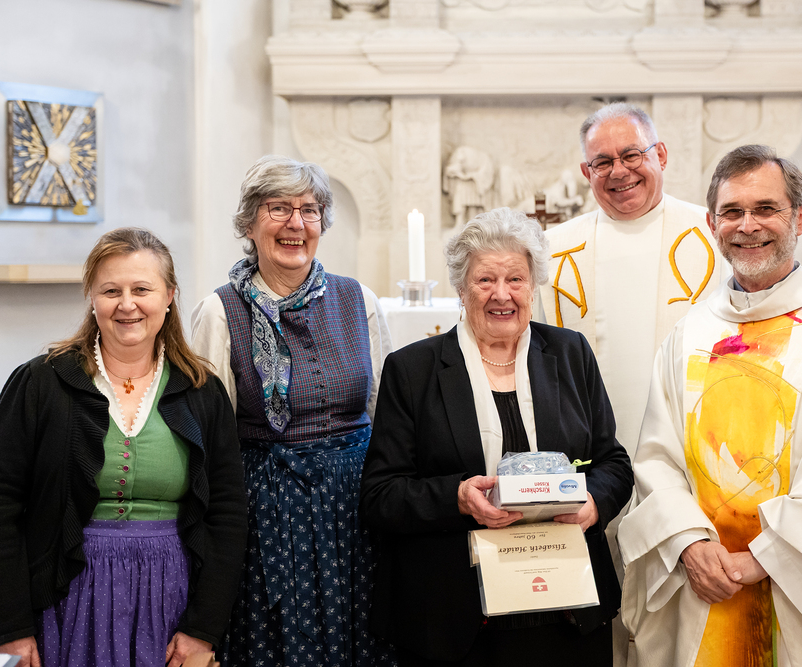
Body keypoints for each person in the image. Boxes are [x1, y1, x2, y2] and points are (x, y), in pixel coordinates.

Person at [618, 145, 802, 666]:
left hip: (801, 590)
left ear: (800, 218)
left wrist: (763, 558)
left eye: (766, 209)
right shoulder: (690, 332)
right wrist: (689, 544)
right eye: (732, 212)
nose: (747, 226)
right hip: (704, 582)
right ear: (712, 223)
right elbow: (656, 457)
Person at [361, 207, 633, 666]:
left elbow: (614, 463)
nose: (501, 294)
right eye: (485, 280)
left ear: (534, 285)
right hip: (457, 616)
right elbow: (380, 495)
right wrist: (458, 498)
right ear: (461, 288)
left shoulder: (570, 353)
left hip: (566, 608)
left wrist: (592, 503)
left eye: (516, 279)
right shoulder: (413, 370)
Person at [0, 227, 248, 667]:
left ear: (169, 295)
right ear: (92, 297)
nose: (127, 304)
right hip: (60, 598)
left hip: (168, 598)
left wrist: (204, 627)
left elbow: (228, 513)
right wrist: (10, 627)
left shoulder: (201, 390)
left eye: (142, 289)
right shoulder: (40, 382)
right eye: (111, 290)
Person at [536, 101, 726, 664]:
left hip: (694, 462)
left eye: (632, 154)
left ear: (660, 154)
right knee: (602, 617)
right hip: (593, 464)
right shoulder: (554, 248)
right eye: (602, 162)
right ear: (585, 172)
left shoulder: (714, 232)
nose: (619, 171)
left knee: (680, 622)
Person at [190, 155, 393, 667]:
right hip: (270, 514)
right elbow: (211, 440)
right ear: (249, 224)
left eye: (309, 210)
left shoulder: (360, 300)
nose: (295, 223)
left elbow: (386, 415)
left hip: (357, 512)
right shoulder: (219, 312)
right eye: (278, 208)